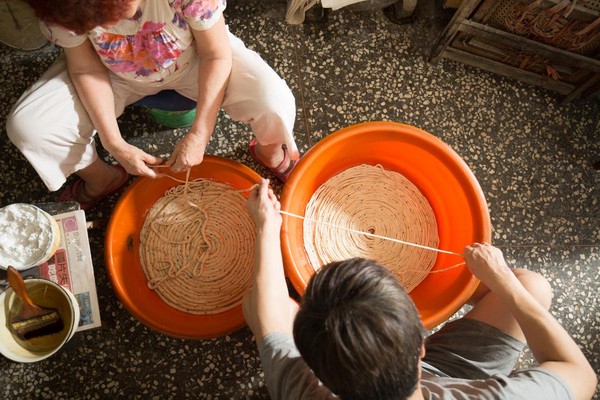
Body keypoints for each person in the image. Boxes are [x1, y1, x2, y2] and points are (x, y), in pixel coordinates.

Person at [243, 178, 597, 400]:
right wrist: (501, 279)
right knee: (531, 288)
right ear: (421, 348)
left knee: (254, 301)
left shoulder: (303, 390)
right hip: (451, 379)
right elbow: (581, 375)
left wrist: (266, 226)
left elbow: (267, 312)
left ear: (316, 368)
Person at [6, 0, 298, 210]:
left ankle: (270, 152)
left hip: (194, 58)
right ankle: (102, 178)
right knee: (30, 128)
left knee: (273, 100)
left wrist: (200, 133)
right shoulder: (61, 8)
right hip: (109, 71)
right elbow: (86, 70)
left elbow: (216, 55)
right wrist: (115, 144)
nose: (110, 26)